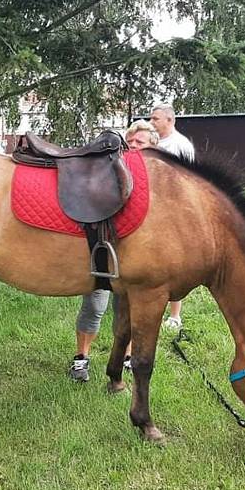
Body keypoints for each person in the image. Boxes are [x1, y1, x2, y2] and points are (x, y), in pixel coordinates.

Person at [69, 120, 158, 381]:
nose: (133, 147)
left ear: (154, 146)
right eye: (130, 142)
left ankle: (126, 356)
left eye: (140, 143)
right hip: (105, 252)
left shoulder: (158, 187)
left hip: (134, 257)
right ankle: (81, 358)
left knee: (127, 309)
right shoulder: (109, 178)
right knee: (93, 305)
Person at [149, 103, 195, 330]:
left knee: (171, 264)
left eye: (155, 119)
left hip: (171, 210)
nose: (152, 123)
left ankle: (174, 315)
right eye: (151, 118)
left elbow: (188, 179)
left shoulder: (181, 145)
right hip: (149, 208)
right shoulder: (151, 141)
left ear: (170, 120)